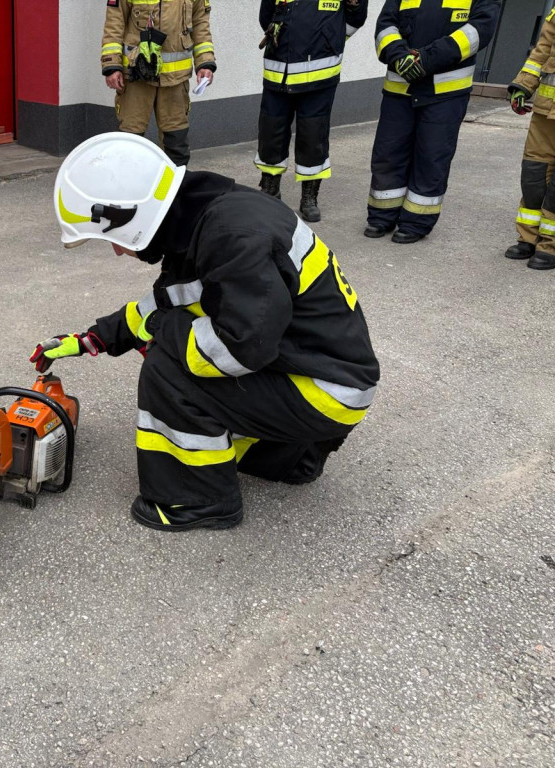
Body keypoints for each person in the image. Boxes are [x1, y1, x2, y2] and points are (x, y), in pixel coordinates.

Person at [34, 133, 379, 531]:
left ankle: (196, 501)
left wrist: (163, 334)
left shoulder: (232, 239)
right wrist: (93, 339)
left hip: (323, 392)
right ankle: (291, 457)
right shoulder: (207, 216)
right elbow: (171, 302)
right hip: (324, 375)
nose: (115, 251)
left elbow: (239, 348)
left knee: (169, 369)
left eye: (110, 239)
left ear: (132, 216)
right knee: (177, 340)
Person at [365, 0, 500, 244]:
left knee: (431, 156)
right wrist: (398, 55)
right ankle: (381, 216)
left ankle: (416, 222)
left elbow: (478, 31)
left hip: (445, 93)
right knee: (388, 152)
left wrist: (426, 59)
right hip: (400, 89)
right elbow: (385, 26)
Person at [255, 0, 368, 223]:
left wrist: (329, 38)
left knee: (312, 136)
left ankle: (309, 197)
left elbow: (356, 18)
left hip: (319, 75)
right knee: (271, 133)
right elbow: (265, 17)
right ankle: (270, 189)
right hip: (278, 71)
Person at [101, 0, 217, 166]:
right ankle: (130, 189)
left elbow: (201, 25)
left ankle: (173, 190)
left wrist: (205, 62)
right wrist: (111, 65)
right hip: (137, 76)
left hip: (175, 81)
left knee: (176, 143)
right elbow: (114, 23)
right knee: (130, 141)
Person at [505, 7, 555, 271]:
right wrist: (523, 85)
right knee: (533, 174)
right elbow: (542, 50)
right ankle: (529, 237)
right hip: (546, 111)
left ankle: (550, 245)